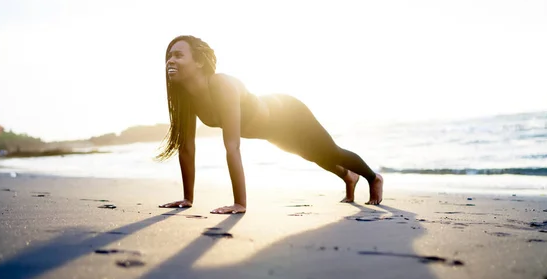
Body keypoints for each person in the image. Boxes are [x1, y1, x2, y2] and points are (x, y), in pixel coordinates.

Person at [157, 35, 383, 214]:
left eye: (178, 55)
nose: (171, 60)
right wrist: (188, 199)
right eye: (169, 56)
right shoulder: (186, 99)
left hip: (288, 113)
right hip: (271, 132)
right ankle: (348, 177)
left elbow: (232, 146)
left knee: (329, 151)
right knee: (312, 155)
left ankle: (373, 178)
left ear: (198, 61)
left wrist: (239, 203)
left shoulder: (220, 84)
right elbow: (186, 148)